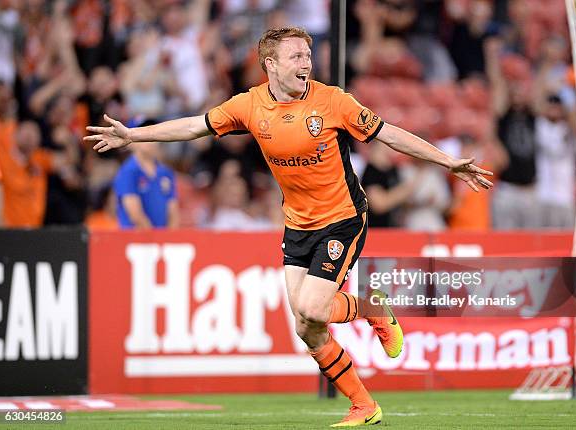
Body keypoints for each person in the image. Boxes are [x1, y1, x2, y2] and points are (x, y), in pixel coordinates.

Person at [85, 27, 493, 427]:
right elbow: (195, 126)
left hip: (343, 218)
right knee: (307, 327)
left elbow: (390, 135)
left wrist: (447, 161)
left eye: (308, 56)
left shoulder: (333, 102)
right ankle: (364, 406)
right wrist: (133, 136)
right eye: (296, 57)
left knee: (314, 308)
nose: (306, 63)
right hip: (298, 225)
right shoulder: (249, 105)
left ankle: (371, 308)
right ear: (270, 65)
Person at [112, 120, 179, 229]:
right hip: (135, 240)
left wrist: (168, 239)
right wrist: (155, 240)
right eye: (142, 133)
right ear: (129, 142)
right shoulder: (127, 172)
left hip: (161, 241)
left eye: (151, 132)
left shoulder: (166, 173)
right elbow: (135, 215)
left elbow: (173, 211)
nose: (148, 139)